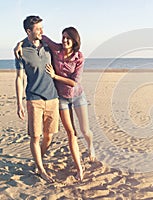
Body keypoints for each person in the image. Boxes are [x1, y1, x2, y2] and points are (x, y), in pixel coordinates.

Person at [15, 26, 95, 181]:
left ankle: (91, 148)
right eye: (63, 37)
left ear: (75, 40)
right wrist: (18, 44)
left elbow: (74, 82)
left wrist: (54, 76)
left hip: (77, 96)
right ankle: (79, 168)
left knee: (85, 131)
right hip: (61, 98)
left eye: (68, 38)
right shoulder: (56, 49)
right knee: (71, 133)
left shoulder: (79, 56)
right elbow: (37, 36)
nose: (65, 40)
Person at [15, 15, 59, 183]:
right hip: (34, 99)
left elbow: (64, 47)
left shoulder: (48, 46)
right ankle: (41, 170)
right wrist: (19, 103)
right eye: (38, 29)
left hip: (52, 98)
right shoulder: (21, 51)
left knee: (48, 136)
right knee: (35, 137)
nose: (42, 31)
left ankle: (37, 159)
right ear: (29, 31)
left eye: (42, 27)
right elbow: (19, 78)